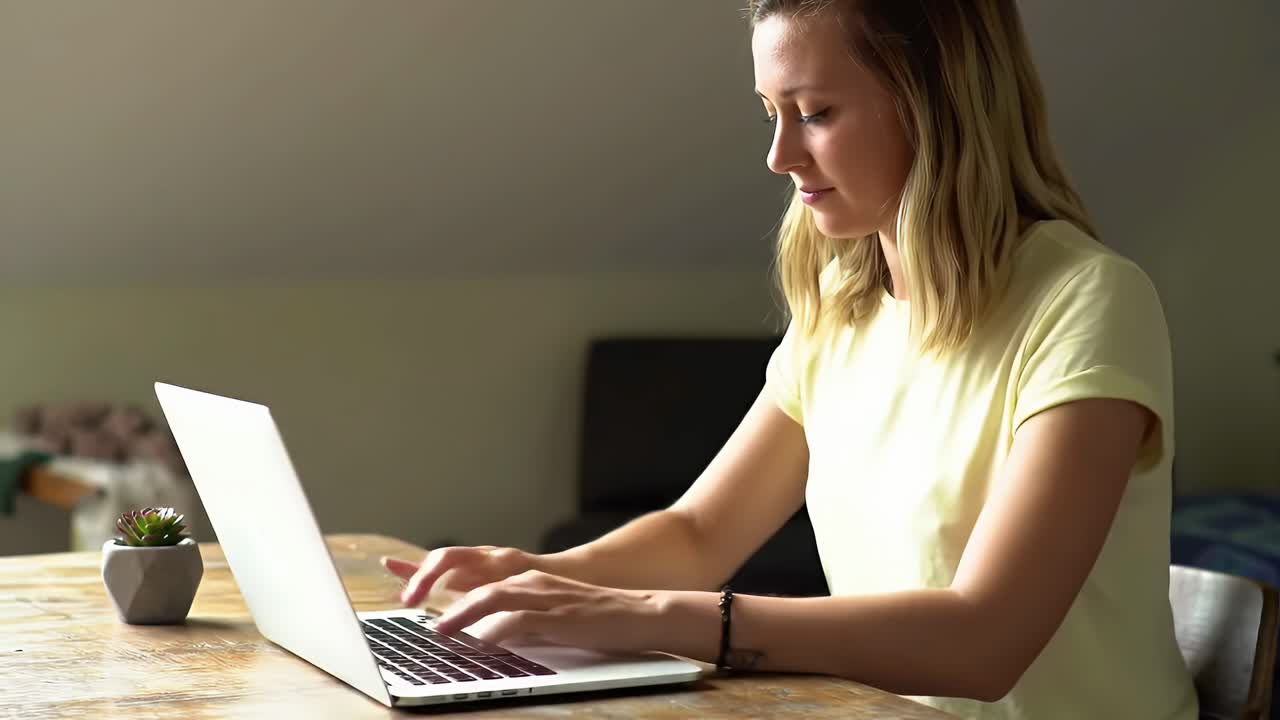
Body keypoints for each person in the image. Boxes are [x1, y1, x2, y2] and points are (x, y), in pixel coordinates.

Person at [382, 1, 1199, 718]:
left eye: (814, 112)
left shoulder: (1090, 300)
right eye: (771, 110)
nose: (779, 155)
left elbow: (982, 643)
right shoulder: (844, 305)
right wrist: (539, 580)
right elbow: (700, 532)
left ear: (938, 105)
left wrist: (660, 616)